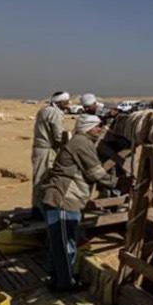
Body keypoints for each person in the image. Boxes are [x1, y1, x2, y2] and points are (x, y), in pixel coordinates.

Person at [40, 114, 118, 291]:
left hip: (66, 199)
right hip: (63, 199)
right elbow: (94, 173)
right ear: (88, 128)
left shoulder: (82, 141)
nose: (101, 129)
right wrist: (116, 183)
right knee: (65, 245)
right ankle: (66, 285)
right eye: (98, 126)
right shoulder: (81, 143)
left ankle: (58, 279)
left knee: (60, 244)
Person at [31, 91, 71, 215]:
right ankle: (40, 209)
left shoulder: (44, 110)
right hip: (46, 151)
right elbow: (59, 136)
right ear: (60, 102)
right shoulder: (54, 113)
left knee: (39, 177)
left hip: (40, 149)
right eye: (66, 102)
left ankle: (38, 207)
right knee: (44, 178)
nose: (68, 104)